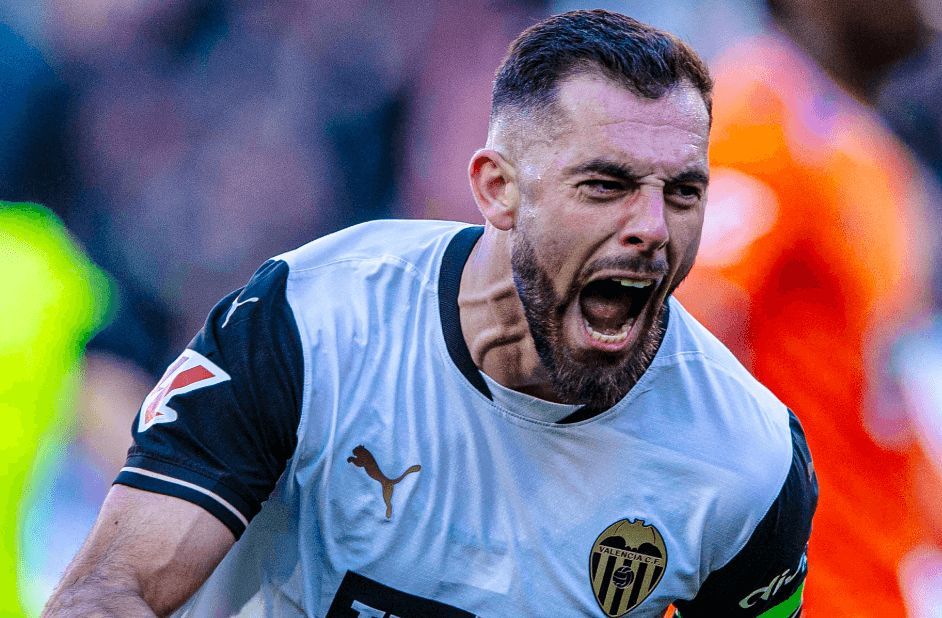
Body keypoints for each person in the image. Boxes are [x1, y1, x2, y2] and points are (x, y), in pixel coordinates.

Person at [44, 10, 817, 617]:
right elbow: (107, 592)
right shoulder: (313, 320)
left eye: (683, 192)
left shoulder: (749, 462)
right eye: (606, 185)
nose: (652, 228)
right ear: (497, 190)